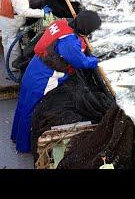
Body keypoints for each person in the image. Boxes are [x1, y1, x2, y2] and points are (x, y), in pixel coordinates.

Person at [11, 10, 101, 153]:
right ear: (86, 29)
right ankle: (24, 147)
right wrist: (97, 60)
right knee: (32, 109)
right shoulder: (69, 42)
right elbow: (81, 62)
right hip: (45, 77)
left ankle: (16, 137)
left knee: (23, 104)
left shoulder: (61, 23)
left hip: (34, 67)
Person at [0, 0, 51, 70]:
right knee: (12, 43)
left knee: (6, 40)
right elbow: (24, 12)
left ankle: (9, 63)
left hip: (3, 18)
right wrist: (42, 12)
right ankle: (14, 66)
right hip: (12, 20)